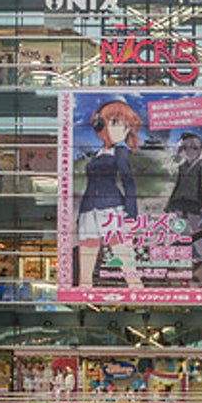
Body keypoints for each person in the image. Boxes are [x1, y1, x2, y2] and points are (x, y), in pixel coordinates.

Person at [77, 98, 144, 288]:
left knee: (123, 254)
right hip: (88, 209)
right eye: (114, 123)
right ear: (101, 124)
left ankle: (137, 290)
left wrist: (130, 215)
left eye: (124, 126)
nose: (118, 130)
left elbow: (129, 183)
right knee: (87, 254)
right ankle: (84, 291)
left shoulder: (120, 152)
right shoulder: (99, 153)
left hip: (111, 207)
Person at [165, 132, 202, 282]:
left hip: (195, 205)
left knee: (200, 232)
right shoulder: (180, 167)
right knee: (181, 231)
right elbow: (175, 185)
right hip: (178, 203)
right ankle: (193, 257)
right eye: (186, 147)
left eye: (195, 148)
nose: (190, 151)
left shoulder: (201, 169)